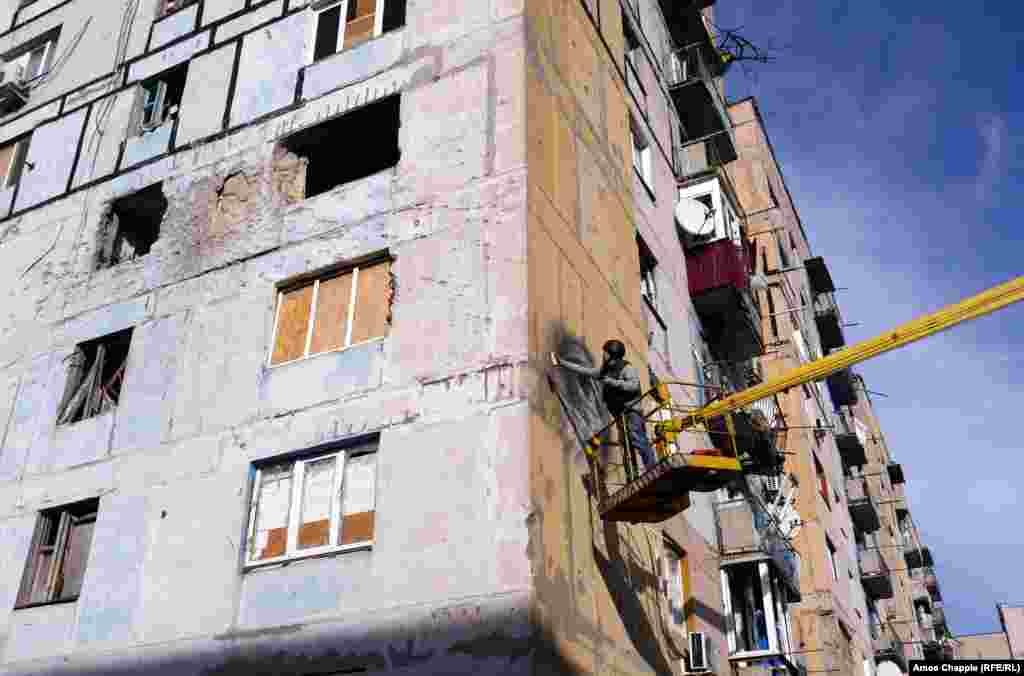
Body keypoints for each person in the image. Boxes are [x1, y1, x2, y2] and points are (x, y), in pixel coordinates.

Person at [552, 339, 657, 470]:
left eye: (605, 353)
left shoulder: (626, 368)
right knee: (626, 445)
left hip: (632, 411)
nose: (603, 355)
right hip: (620, 414)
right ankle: (632, 474)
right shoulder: (605, 370)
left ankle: (652, 468)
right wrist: (561, 362)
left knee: (638, 439)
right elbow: (585, 371)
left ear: (612, 354)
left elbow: (633, 386)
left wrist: (612, 382)